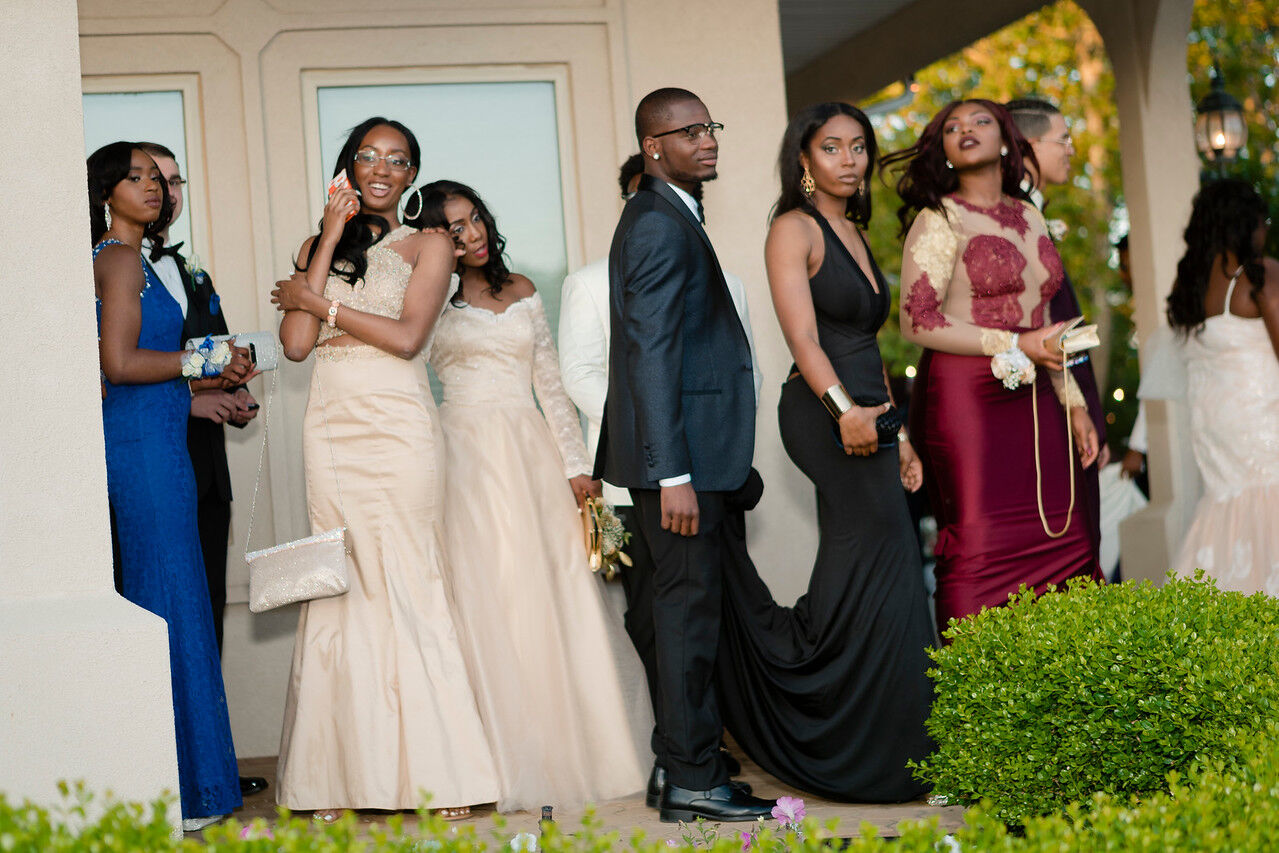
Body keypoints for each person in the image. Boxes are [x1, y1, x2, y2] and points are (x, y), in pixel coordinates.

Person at [270, 118, 498, 821]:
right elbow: (297, 344)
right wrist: (328, 242)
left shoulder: (430, 242)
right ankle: (334, 778)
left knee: (405, 577)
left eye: (397, 160)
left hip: (397, 427)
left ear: (409, 177)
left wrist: (322, 301)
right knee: (338, 587)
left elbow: (406, 337)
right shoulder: (318, 246)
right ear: (347, 167)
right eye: (368, 156)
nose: (382, 168)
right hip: (331, 429)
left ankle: (443, 772)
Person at [712, 102, 935, 802]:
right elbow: (802, 337)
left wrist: (902, 435)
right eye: (831, 147)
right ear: (802, 160)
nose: (848, 159)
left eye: (858, 147)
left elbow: (871, 344)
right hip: (822, 412)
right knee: (879, 558)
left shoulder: (853, 228)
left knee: (884, 564)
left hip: (873, 412)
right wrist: (843, 412)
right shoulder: (792, 228)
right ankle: (843, 736)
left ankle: (883, 741)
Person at [405, 179, 651, 813]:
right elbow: (406, 379)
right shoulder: (427, 304)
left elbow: (550, 383)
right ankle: (486, 760)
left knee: (553, 592)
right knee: (489, 593)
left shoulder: (523, 292)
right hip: (462, 455)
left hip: (532, 453)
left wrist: (577, 468)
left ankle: (584, 749)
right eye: (454, 226)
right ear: (434, 239)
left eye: (476, 217)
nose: (472, 232)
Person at [595, 87, 775, 823]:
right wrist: (672, 472)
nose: (706, 140)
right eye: (687, 130)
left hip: (698, 463)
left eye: (709, 127)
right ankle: (694, 779)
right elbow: (652, 352)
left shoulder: (669, 215)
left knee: (690, 617)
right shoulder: (656, 224)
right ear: (653, 148)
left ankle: (684, 769)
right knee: (685, 622)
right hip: (682, 468)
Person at [556, 154, 762, 786]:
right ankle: (678, 758)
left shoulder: (727, 278)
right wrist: (655, 450)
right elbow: (584, 375)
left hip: (714, 475)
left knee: (700, 614)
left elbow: (736, 376)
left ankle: (688, 753)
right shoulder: (590, 281)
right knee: (652, 616)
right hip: (634, 480)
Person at [881, 99, 1102, 636]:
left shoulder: (1030, 214)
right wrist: (1017, 343)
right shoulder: (940, 219)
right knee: (979, 544)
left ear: (1006, 141)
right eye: (952, 127)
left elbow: (1047, 321)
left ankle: (1065, 685)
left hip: (1041, 396)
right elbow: (918, 322)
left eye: (980, 121)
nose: (966, 130)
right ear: (945, 150)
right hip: (967, 402)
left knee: (1065, 534)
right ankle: (972, 696)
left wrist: (1075, 405)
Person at [90, 141, 246, 830]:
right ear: (105, 191)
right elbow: (119, 364)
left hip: (161, 440)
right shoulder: (118, 258)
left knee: (177, 597)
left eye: (158, 177)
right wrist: (207, 353)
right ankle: (175, 791)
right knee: (167, 601)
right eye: (136, 177)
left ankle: (188, 784)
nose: (152, 187)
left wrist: (208, 378)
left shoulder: (136, 260)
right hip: (140, 448)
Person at [138, 142, 267, 799]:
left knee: (205, 611)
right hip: (146, 467)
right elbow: (115, 371)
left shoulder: (189, 269)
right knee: (153, 612)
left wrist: (236, 386)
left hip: (205, 471)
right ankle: (159, 770)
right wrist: (196, 399)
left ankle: (205, 763)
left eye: (174, 180)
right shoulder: (111, 266)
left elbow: (208, 354)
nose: (166, 191)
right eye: (152, 180)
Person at [1166, 179, 1279, 594]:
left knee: (1231, 517)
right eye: (1262, 221)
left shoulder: (1191, 288)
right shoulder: (1259, 274)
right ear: (1246, 223)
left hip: (1217, 434)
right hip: (1264, 427)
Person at [1006, 97, 1105, 554]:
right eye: (1062, 139)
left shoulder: (1034, 213)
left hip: (1067, 402)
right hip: (1044, 406)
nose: (1071, 149)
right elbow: (1038, 322)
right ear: (1026, 146)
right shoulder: (1013, 218)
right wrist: (1078, 407)